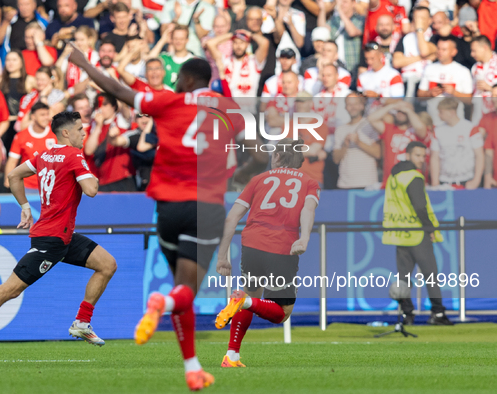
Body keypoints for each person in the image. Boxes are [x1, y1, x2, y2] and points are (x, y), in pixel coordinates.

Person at [68, 45, 263, 390]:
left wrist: (84, 62)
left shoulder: (169, 102)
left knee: (180, 285)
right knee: (186, 292)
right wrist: (235, 174)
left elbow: (117, 91)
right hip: (206, 207)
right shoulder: (230, 108)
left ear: (188, 79)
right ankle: (163, 303)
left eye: (178, 77)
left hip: (168, 208)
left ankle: (192, 367)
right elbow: (259, 156)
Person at [0, 111, 118, 366]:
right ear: (66, 133)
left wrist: (25, 207)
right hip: (50, 240)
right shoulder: (74, 156)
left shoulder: (43, 155)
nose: (83, 133)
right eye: (80, 129)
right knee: (11, 289)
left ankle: (82, 322)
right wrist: (90, 173)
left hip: (63, 236)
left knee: (107, 265)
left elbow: (13, 176)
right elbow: (92, 190)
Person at [214, 138, 319, 367]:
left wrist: (222, 256)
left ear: (278, 156)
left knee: (250, 290)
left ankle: (232, 356)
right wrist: (304, 238)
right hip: (282, 247)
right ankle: (245, 302)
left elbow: (232, 217)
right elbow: (308, 210)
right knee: (282, 312)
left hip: (251, 245)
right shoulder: (310, 183)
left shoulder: (258, 179)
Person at [382, 140, 452, 326]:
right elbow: (420, 206)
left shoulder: (393, 177)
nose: (421, 159)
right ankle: (437, 314)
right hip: (417, 233)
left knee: (403, 278)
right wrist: (429, 228)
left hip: (399, 232)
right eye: (417, 155)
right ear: (408, 155)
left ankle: (407, 315)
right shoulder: (414, 176)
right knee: (431, 275)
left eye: (423, 156)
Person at [368, 101, 431, 187]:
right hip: (391, 182)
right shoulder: (389, 129)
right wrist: (392, 106)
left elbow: (420, 128)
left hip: (412, 183)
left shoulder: (416, 132)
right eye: (398, 111)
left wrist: (408, 110)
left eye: (404, 112)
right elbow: (371, 119)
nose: (400, 113)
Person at [429, 98, 484, 189]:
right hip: (444, 182)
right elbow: (435, 157)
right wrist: (435, 183)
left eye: (441, 112)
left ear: (451, 112)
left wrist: (476, 180)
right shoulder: (438, 131)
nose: (438, 115)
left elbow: (479, 156)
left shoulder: (470, 128)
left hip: (466, 181)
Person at [332, 93, 381, 189]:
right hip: (345, 184)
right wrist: (345, 145)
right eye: (349, 104)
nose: (352, 107)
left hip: (367, 183)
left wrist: (358, 142)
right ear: (345, 107)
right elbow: (336, 159)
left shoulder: (370, 125)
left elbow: (378, 153)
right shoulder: (340, 129)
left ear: (362, 106)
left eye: (355, 104)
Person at [4, 102, 56, 191]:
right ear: (33, 117)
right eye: (42, 115)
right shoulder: (21, 136)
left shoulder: (55, 134)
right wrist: (7, 180)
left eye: (47, 114)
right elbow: (12, 161)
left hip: (51, 186)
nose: (46, 118)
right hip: (27, 186)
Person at [159, 25, 194, 90]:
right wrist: (162, 40)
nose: (178, 41)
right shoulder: (164, 58)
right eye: (176, 38)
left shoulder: (194, 62)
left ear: (187, 40)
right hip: (167, 98)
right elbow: (148, 61)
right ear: (171, 39)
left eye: (181, 39)